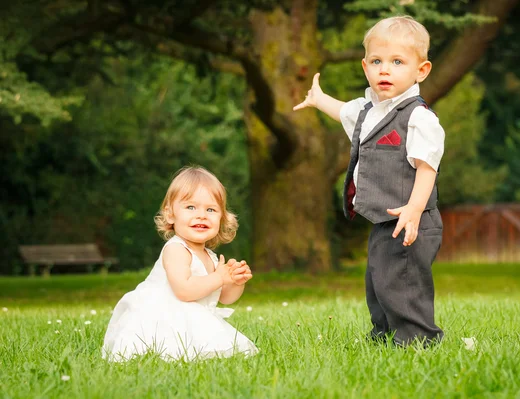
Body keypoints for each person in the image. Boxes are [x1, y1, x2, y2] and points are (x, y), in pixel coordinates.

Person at [293, 16, 445, 346]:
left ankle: (418, 341)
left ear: (421, 71)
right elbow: (344, 111)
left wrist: (414, 210)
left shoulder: (418, 118)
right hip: (382, 219)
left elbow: (426, 168)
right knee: (378, 281)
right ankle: (384, 334)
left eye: (397, 62)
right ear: (365, 67)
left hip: (411, 219)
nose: (384, 70)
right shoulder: (367, 111)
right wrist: (319, 100)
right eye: (376, 61)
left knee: (403, 283)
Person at [103, 166, 258, 361]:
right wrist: (219, 277)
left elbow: (224, 298)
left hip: (189, 316)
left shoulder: (210, 256)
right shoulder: (176, 250)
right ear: (170, 214)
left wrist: (235, 281)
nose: (201, 215)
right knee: (172, 350)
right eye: (190, 207)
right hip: (161, 319)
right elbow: (184, 290)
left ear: (222, 218)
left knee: (213, 347)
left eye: (210, 209)